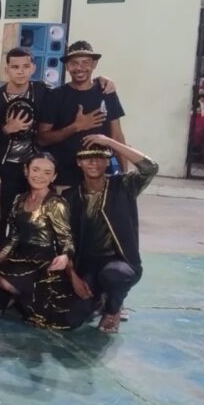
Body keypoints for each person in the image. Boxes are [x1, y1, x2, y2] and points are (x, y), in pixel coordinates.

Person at [66, 136, 159, 333]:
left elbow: (150, 167)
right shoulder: (71, 196)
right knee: (72, 318)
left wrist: (111, 142)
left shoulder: (123, 186)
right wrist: (73, 275)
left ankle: (113, 309)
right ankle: (100, 298)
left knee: (114, 275)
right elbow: (64, 239)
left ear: (108, 161)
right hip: (87, 265)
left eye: (100, 157)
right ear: (79, 162)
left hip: (120, 262)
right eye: (87, 158)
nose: (94, 162)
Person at [0, 153, 89, 330]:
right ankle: (21, 300)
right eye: (35, 170)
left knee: (6, 282)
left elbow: (66, 238)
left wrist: (65, 256)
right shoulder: (19, 199)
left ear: (54, 177)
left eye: (47, 172)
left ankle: (25, 300)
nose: (40, 176)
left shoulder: (56, 203)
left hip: (43, 261)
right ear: (26, 170)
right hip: (19, 256)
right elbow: (14, 236)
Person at [37, 41, 126, 190]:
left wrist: (124, 176)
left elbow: (117, 137)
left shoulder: (107, 92)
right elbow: (42, 139)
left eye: (86, 62)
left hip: (100, 176)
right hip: (64, 178)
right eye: (74, 63)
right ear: (67, 66)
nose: (80, 68)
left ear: (94, 64)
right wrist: (76, 127)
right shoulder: (55, 96)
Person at [0, 47, 50, 235]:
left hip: (34, 167)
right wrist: (6, 129)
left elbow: (69, 92)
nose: (20, 71)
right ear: (7, 70)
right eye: (15, 67)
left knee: (32, 218)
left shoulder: (43, 91)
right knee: (0, 217)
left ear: (33, 68)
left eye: (25, 66)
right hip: (4, 168)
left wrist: (101, 81)